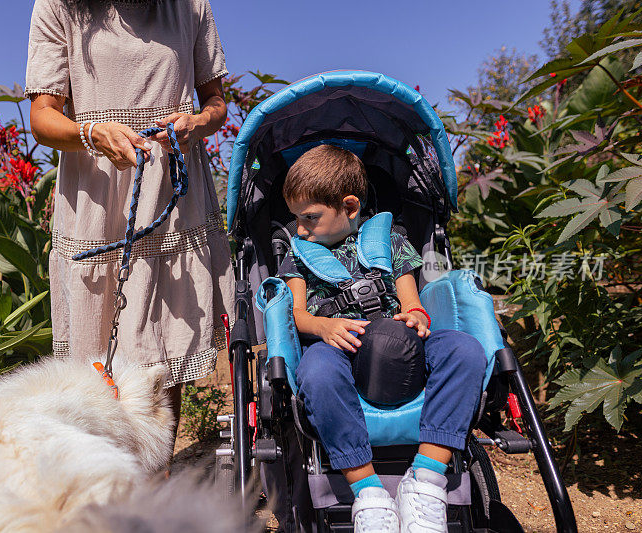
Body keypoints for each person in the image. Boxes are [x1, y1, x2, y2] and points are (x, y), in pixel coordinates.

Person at [25, 0, 234, 445]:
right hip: (97, 196)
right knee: (95, 345)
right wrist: (92, 134)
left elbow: (217, 103)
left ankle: (157, 469)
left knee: (164, 337)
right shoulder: (57, 7)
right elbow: (42, 119)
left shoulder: (191, 7)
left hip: (171, 192)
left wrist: (196, 123)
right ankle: (106, 467)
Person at [277, 145, 486, 533]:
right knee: (316, 372)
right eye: (296, 219)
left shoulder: (390, 241)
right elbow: (299, 315)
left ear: (350, 207)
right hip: (335, 348)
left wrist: (416, 316)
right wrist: (324, 327)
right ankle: (369, 494)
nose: (300, 229)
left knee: (465, 350)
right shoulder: (297, 256)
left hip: (399, 344)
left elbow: (411, 301)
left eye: (310, 218)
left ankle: (425, 482)